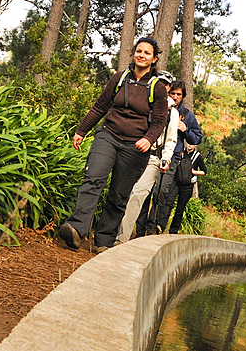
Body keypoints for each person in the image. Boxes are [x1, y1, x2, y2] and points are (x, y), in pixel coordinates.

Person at [57, 37, 169, 253]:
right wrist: (81, 130)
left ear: (154, 59)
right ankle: (76, 228)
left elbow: (159, 122)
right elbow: (100, 106)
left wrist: (148, 139)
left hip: (135, 147)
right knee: (93, 178)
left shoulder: (158, 88)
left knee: (119, 194)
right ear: (134, 53)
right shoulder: (119, 78)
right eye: (139, 51)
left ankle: (104, 241)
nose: (141, 55)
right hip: (108, 136)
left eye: (147, 53)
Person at [114, 91, 179, 245]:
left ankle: (121, 239)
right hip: (132, 153)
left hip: (154, 158)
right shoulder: (142, 101)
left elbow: (170, 139)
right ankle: (109, 232)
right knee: (120, 192)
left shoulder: (172, 112)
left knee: (137, 194)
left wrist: (166, 158)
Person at [147, 81, 203, 235]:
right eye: (173, 93)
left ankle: (157, 226)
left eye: (179, 94)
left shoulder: (187, 115)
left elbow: (197, 138)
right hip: (152, 153)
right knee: (149, 190)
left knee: (163, 192)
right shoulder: (160, 108)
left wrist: (185, 130)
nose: (175, 97)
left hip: (173, 159)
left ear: (183, 96)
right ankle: (143, 227)